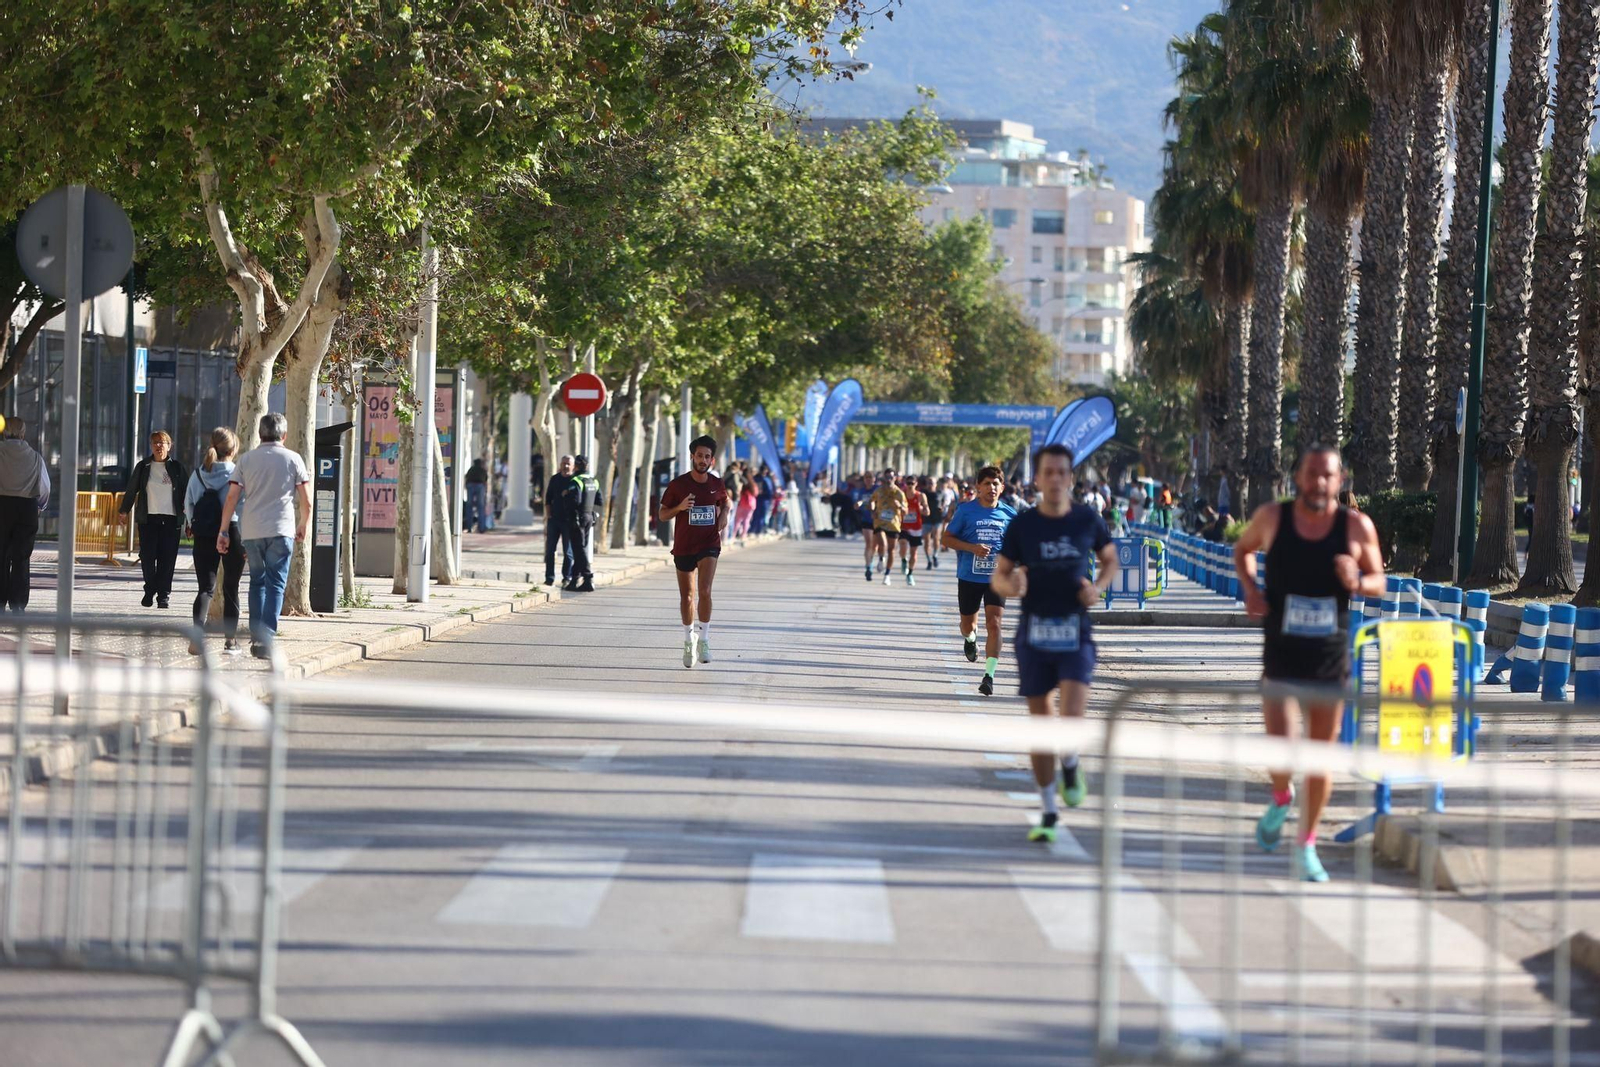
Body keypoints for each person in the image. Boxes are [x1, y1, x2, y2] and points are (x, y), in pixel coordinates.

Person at [1233, 444, 1386, 882]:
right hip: (1281, 654)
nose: (1319, 482)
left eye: (1328, 475)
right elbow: (1242, 550)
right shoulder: (1272, 518)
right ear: (1298, 477)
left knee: (1321, 757)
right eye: (1312, 473)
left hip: (1329, 659)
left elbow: (1380, 580)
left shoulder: (1355, 526)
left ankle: (1306, 846)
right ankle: (1282, 797)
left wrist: (1358, 579)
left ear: (1340, 481)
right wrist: (1250, 588)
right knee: (1282, 747)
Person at [990, 444, 1119, 842]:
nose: (1056, 479)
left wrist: (1097, 588)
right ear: (1038, 478)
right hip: (1034, 633)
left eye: (1063, 472)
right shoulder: (1023, 525)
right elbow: (999, 576)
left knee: (1073, 716)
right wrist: (1012, 585)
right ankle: (1048, 811)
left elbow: (1112, 559)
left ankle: (1071, 761)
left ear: (1071, 478)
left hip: (1074, 631)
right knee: (1042, 726)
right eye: (1049, 472)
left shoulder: (1086, 519)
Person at [218, 414, 310, 659]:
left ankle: (257, 637)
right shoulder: (294, 459)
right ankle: (266, 636)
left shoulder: (246, 460)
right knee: (276, 584)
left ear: (260, 434)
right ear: (284, 435)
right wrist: (303, 525)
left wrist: (224, 531)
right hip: (281, 530)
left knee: (257, 581)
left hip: (252, 530)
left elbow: (231, 497)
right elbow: (306, 500)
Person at [942, 466, 1017, 696]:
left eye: (996, 484)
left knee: (994, 624)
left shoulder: (1010, 514)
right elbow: (946, 538)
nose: (991, 488)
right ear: (978, 487)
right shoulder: (966, 511)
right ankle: (970, 638)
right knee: (968, 625)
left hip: (997, 578)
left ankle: (989, 676)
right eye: (987, 484)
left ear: (1002, 488)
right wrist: (971, 548)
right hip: (969, 576)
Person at [659, 435, 729, 667]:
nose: (702, 460)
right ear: (692, 456)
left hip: (709, 543)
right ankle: (689, 639)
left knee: (705, 591)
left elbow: (725, 502)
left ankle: (705, 639)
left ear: (712, 460)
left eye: (707, 457)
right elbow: (662, 514)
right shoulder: (678, 485)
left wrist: (724, 515)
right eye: (699, 456)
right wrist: (679, 507)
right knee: (687, 596)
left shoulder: (716, 484)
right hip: (684, 545)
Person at [184, 427, 246, 656]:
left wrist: (194, 524)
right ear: (233, 450)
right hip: (232, 530)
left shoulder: (198, 474)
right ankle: (231, 642)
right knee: (231, 587)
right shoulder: (238, 473)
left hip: (204, 533)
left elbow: (188, 503)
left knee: (205, 589)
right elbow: (243, 506)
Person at [120, 430, 187, 609]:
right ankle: (150, 590)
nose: (158, 446)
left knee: (167, 559)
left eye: (162, 442)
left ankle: (163, 596)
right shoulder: (143, 466)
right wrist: (124, 511)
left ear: (169, 446)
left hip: (171, 520)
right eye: (155, 442)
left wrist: (189, 517)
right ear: (151, 446)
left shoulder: (177, 468)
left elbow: (187, 494)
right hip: (148, 519)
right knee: (147, 558)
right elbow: (132, 489)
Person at [0, 419, 49, 612]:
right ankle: (18, 605)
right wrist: (40, 506)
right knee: (21, 558)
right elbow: (44, 487)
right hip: (26, 509)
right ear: (23, 433)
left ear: (4, 433)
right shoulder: (35, 457)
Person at [559, 455, 598, 592]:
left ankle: (588, 577)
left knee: (579, 550)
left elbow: (574, 501)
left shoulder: (575, 481)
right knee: (579, 549)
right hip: (589, 517)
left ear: (576, 466)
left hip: (577, 518)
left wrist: (565, 495)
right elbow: (600, 500)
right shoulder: (593, 481)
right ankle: (574, 580)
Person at [866, 468, 907, 585]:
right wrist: (873, 509)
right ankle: (881, 558)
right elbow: (871, 502)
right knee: (882, 543)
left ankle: (887, 574)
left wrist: (899, 506)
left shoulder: (899, 493)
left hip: (894, 524)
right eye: (887, 477)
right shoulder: (878, 491)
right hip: (880, 522)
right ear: (884, 478)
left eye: (891, 477)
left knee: (892, 550)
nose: (889, 480)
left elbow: (905, 511)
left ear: (895, 478)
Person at [543, 454, 575, 587]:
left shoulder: (575, 480)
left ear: (573, 466)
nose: (566, 466)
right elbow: (548, 498)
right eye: (563, 463)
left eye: (568, 464)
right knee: (550, 550)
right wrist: (548, 515)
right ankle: (549, 578)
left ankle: (567, 577)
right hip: (554, 520)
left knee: (568, 551)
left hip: (568, 521)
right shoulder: (555, 479)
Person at [896, 474, 929, 586]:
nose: (910, 485)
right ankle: (903, 560)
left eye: (912, 483)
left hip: (916, 527)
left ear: (916, 484)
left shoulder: (920, 496)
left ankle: (910, 574)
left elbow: (927, 512)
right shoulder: (901, 494)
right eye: (908, 483)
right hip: (903, 526)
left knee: (914, 553)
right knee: (903, 545)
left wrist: (921, 509)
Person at [921, 475, 946, 569]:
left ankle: (935, 555)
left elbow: (944, 504)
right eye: (929, 482)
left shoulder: (940, 493)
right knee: (926, 541)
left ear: (936, 484)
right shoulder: (923, 493)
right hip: (926, 519)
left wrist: (942, 508)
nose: (930, 484)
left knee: (936, 537)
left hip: (937, 519)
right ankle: (929, 560)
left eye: (932, 483)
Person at [464, 458, 491, 533]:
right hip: (480, 486)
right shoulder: (482, 470)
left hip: (470, 485)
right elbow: (485, 480)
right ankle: (481, 528)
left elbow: (466, 478)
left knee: (469, 507)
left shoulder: (471, 469)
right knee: (480, 507)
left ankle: (469, 527)